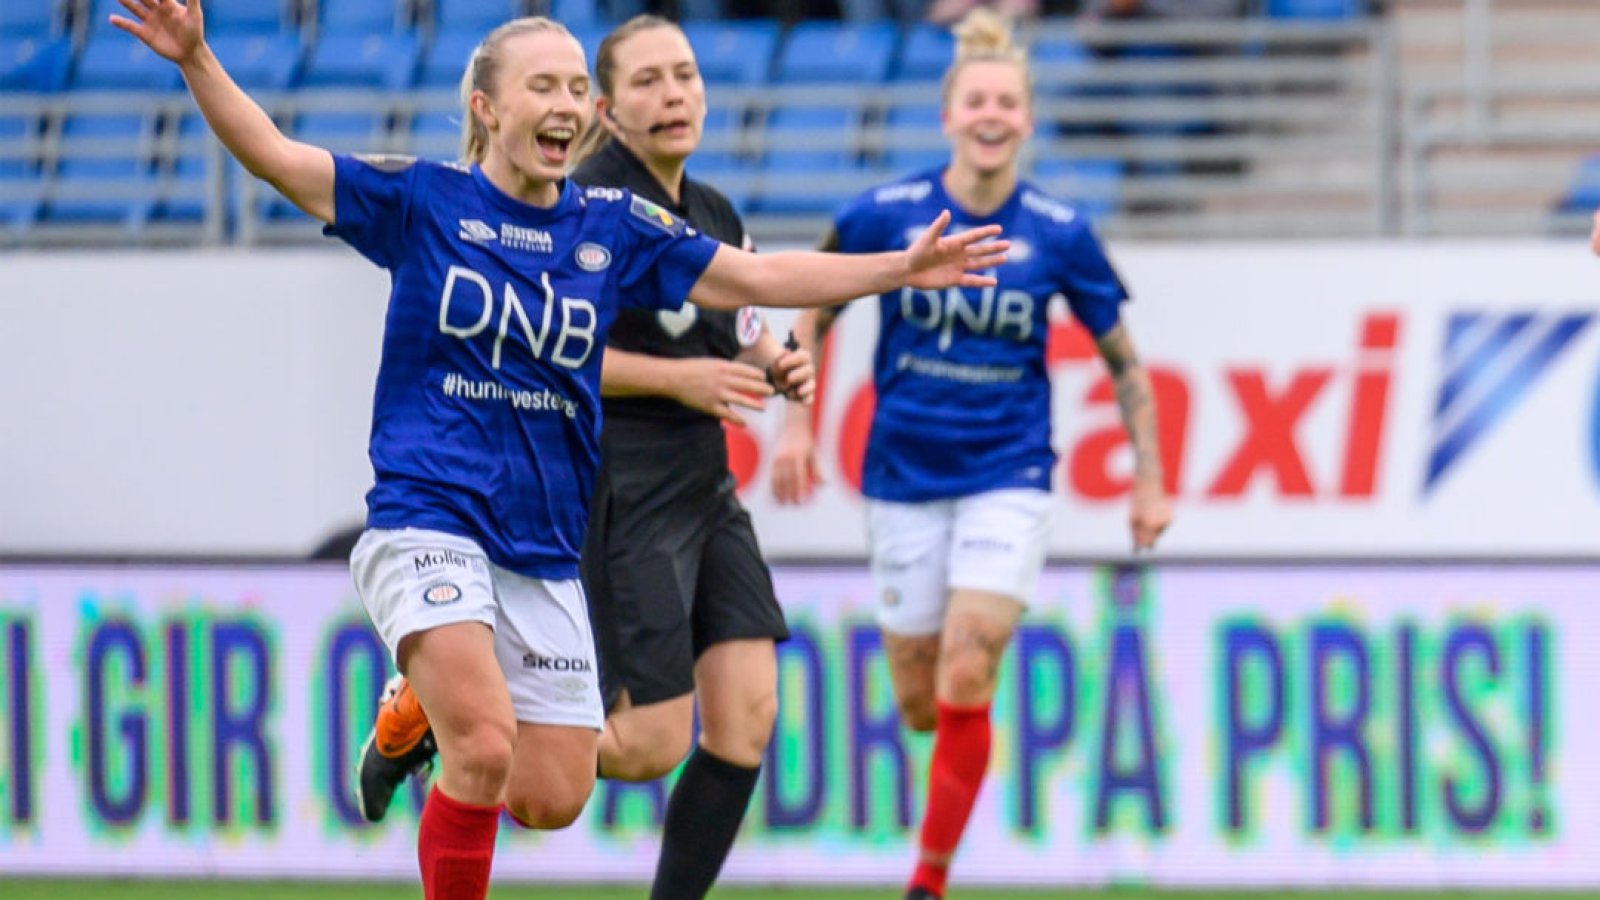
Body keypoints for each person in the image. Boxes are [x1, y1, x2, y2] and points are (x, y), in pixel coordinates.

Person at [109, 4, 1006, 899]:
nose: (567, 105)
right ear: (486, 107)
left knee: (551, 793)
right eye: (544, 86)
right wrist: (196, 60)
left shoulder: (610, 226)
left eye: (577, 88)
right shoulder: (426, 203)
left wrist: (896, 269)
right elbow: (279, 158)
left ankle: (406, 714)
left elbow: (757, 278)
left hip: (542, 548)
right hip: (430, 515)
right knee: (485, 746)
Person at [358, 14, 811, 900]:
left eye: (685, 74)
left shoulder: (710, 208)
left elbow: (747, 307)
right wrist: (681, 382)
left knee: (750, 715)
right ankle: (437, 714)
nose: (674, 94)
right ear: (606, 108)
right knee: (641, 745)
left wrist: (774, 362)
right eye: (647, 81)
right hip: (622, 483)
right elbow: (548, 349)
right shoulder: (578, 191)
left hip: (707, 483)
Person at [770, 10, 1172, 900]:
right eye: (976, 100)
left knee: (967, 662)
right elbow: (816, 309)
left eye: (1008, 103)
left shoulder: (1062, 232)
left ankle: (929, 880)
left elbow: (1125, 365)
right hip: (903, 479)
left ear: (1027, 119)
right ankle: (955, 759)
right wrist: (797, 423)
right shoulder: (887, 214)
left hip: (1010, 473)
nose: (991, 115)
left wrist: (1149, 479)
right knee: (922, 700)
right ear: (948, 115)